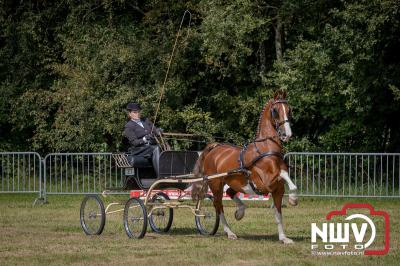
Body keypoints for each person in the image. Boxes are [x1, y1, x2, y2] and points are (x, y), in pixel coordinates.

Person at [123, 102, 161, 172]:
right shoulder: (128, 126)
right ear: (129, 114)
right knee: (156, 148)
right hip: (139, 149)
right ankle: (161, 174)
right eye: (135, 112)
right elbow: (134, 142)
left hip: (150, 146)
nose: (137, 114)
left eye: (138, 112)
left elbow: (154, 130)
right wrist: (144, 139)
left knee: (164, 147)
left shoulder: (145, 120)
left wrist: (158, 131)